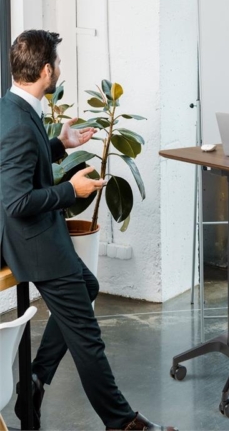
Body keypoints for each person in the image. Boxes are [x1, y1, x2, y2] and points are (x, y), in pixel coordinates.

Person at [0, 30, 177, 431]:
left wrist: (60, 144)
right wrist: (70, 190)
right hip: (33, 242)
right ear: (47, 71)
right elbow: (15, 201)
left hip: (43, 233)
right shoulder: (16, 122)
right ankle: (123, 423)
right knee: (88, 340)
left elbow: (27, 158)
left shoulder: (13, 106)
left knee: (89, 286)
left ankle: (35, 380)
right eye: (58, 64)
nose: (60, 69)